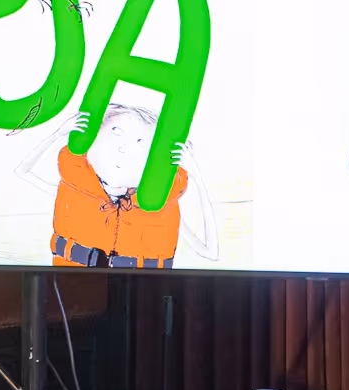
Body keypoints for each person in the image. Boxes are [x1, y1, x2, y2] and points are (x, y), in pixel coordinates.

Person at [17, 104, 219, 268]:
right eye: (116, 132)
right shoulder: (76, 191)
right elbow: (22, 171)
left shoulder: (156, 206)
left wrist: (197, 176)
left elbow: (210, 251)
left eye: (141, 143)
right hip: (76, 287)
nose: (124, 148)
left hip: (134, 292)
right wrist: (60, 133)